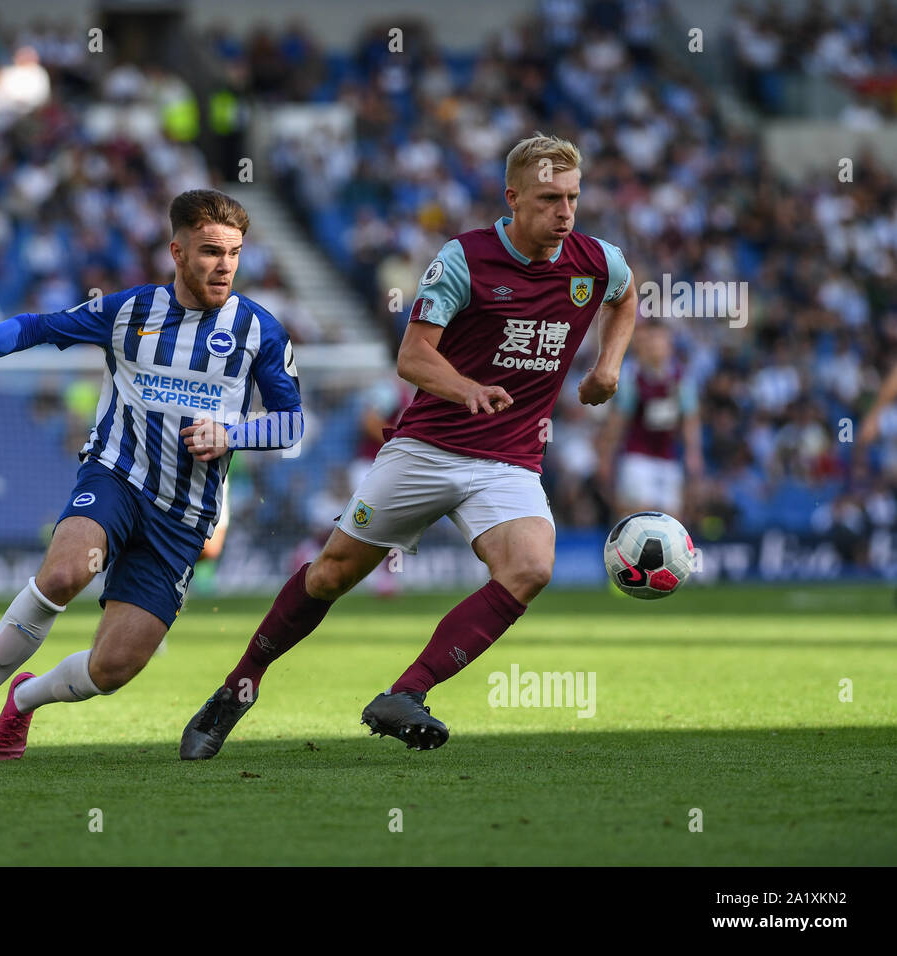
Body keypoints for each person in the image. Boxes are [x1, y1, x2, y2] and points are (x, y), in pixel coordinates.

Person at [181, 132, 637, 758]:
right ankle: (237, 686)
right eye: (548, 199)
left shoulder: (594, 260)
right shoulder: (464, 261)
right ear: (513, 198)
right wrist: (466, 388)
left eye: (572, 199)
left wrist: (608, 365)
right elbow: (413, 356)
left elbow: (627, 292)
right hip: (429, 446)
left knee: (530, 568)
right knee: (331, 575)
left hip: (508, 460)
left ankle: (407, 693)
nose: (564, 213)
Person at [0, 189, 303, 760]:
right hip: (117, 476)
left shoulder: (259, 331)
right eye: (211, 251)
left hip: (184, 516)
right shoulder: (128, 313)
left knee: (113, 668)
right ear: (177, 250)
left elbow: (291, 425)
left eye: (235, 253)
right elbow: (36, 327)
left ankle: (24, 699)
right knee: (66, 571)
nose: (225, 266)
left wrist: (233, 434)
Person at [596, 320, 702, 521]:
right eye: (651, 341)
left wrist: (693, 454)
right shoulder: (632, 376)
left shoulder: (681, 378)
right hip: (637, 456)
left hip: (668, 458)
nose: (656, 346)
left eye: (660, 341)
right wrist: (606, 456)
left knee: (672, 520)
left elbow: (690, 419)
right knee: (638, 516)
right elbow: (618, 421)